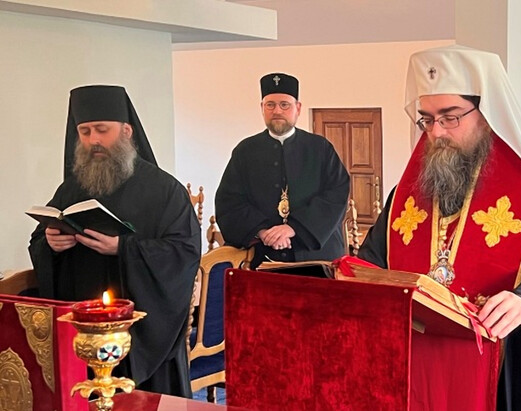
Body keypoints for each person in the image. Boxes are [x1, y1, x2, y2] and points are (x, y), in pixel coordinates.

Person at [358, 45, 521, 411]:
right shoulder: (406, 192)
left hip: (494, 365)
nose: (436, 132)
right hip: (414, 363)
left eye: (450, 117)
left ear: (486, 114)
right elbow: (372, 261)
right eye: (427, 118)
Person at [28, 85, 201, 397]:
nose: (94, 139)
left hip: (143, 333)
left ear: (126, 131)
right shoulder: (72, 188)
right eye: (85, 131)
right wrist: (50, 244)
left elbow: (183, 251)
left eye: (102, 130)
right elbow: (39, 240)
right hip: (85, 330)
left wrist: (123, 249)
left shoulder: (165, 190)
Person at [215, 72, 350, 268]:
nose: (277, 110)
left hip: (314, 254)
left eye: (284, 104)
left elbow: (336, 194)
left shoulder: (320, 148)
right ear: (262, 108)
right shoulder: (245, 151)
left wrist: (294, 228)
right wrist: (262, 231)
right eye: (270, 105)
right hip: (261, 253)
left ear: (298, 108)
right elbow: (229, 201)